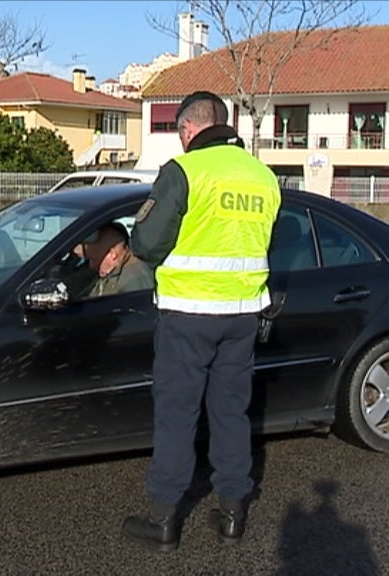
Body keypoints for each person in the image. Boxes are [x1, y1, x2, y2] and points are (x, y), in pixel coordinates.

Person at [122, 91, 281, 551]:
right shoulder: (263, 177)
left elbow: (148, 243)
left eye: (179, 132)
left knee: (177, 415)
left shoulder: (185, 172)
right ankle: (233, 515)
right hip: (243, 315)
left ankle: (165, 521)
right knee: (231, 412)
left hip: (189, 315)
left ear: (189, 129)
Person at [81, 222, 154, 298]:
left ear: (113, 255)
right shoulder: (113, 273)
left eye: (94, 259)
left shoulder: (134, 280)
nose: (91, 265)